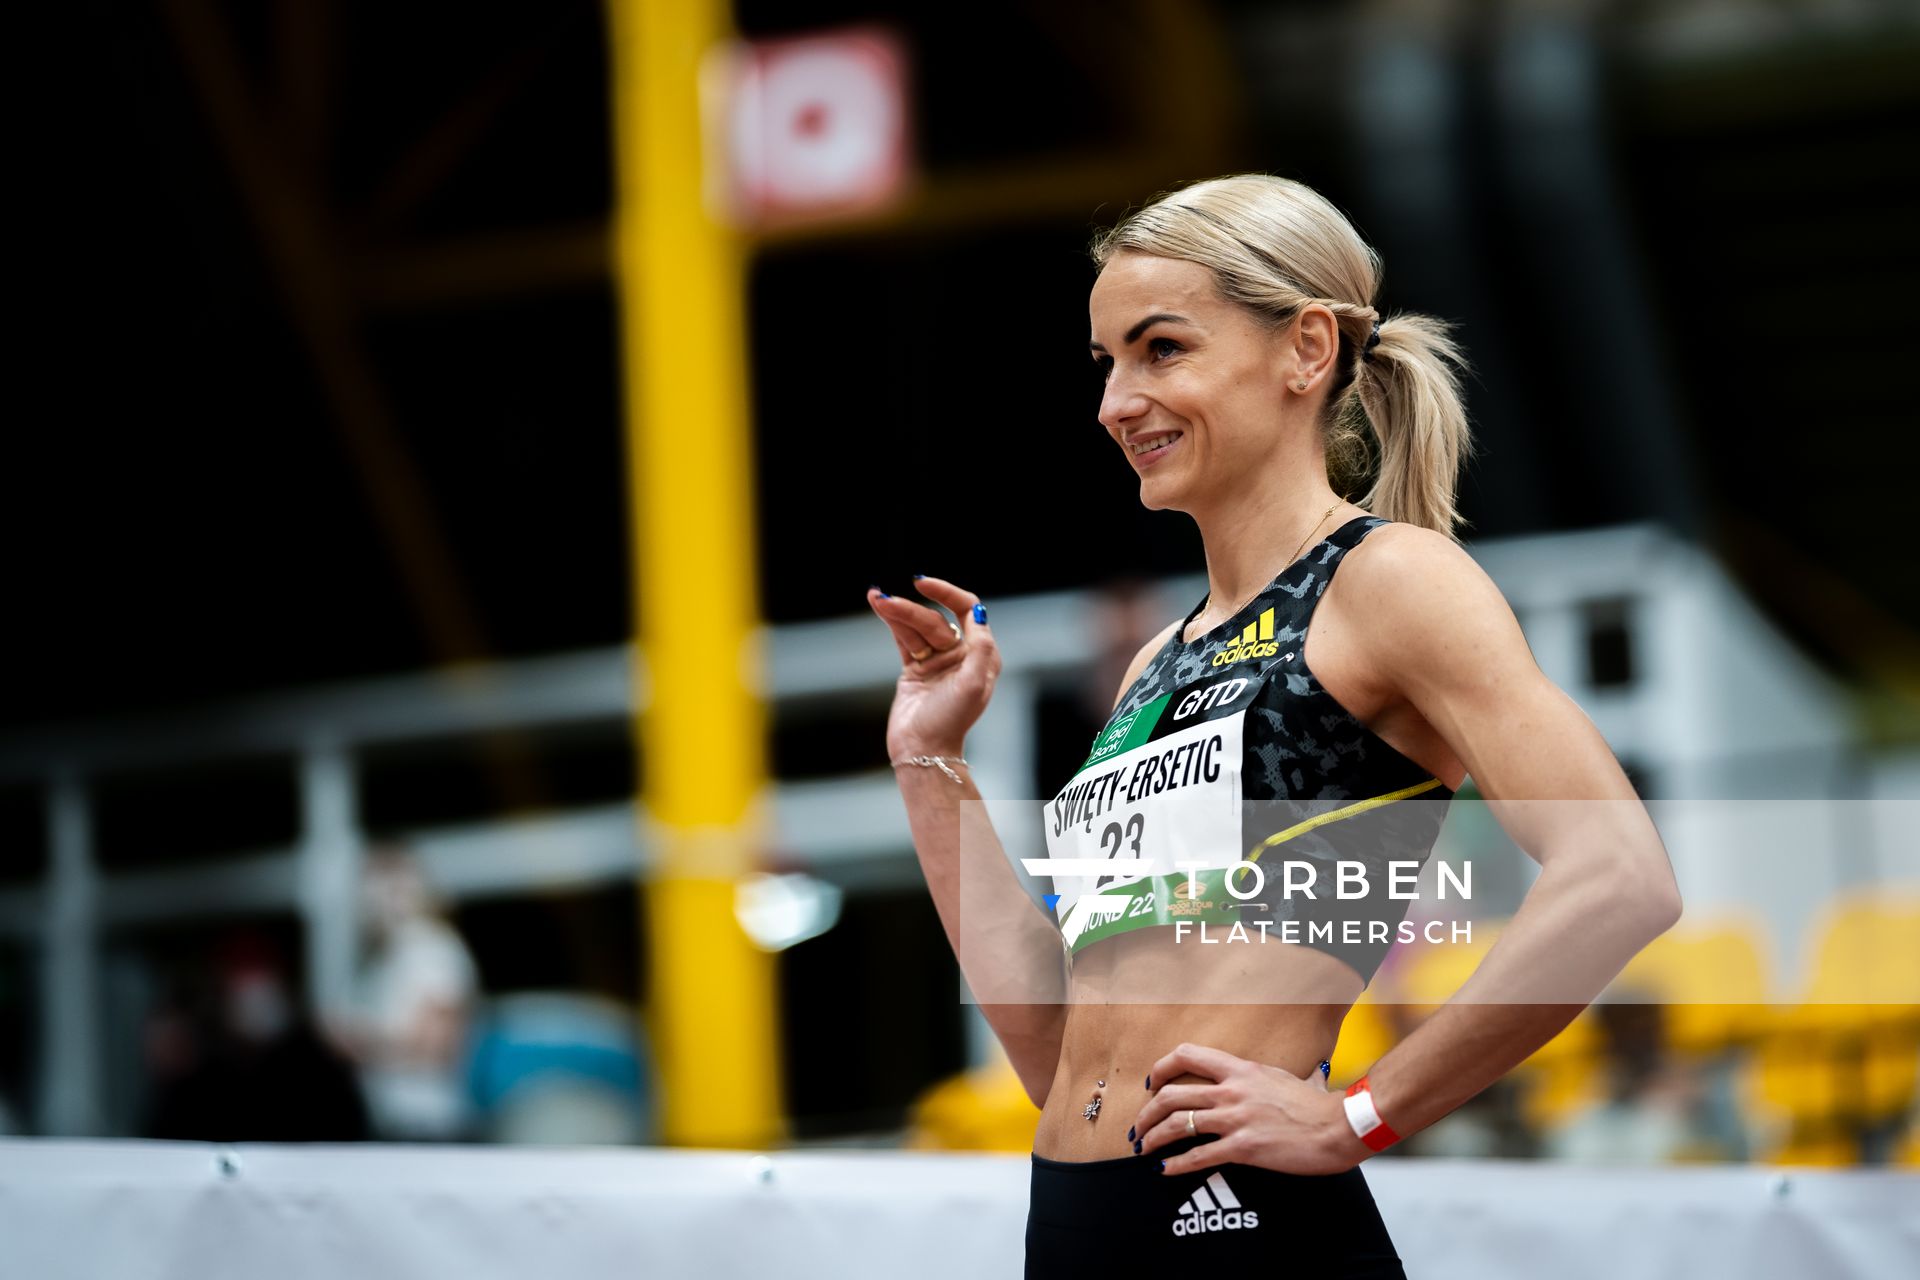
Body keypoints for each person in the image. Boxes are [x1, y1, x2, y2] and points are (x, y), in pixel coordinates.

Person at [867, 173, 1683, 1272]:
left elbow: (1621, 873)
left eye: (1161, 349)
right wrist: (931, 758)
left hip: (1246, 1223)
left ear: (1305, 349)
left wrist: (1359, 1115)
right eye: (1107, 362)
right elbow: (1059, 1037)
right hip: (1077, 1220)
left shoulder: (1389, 582)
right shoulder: (1161, 659)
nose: (1116, 401)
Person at [323, 844, 481, 1142]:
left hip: (429, 1127)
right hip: (386, 1123)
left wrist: (358, 1041)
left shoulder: (434, 950)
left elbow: (435, 1049)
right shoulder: (381, 960)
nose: (377, 899)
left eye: (391, 885)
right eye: (370, 888)